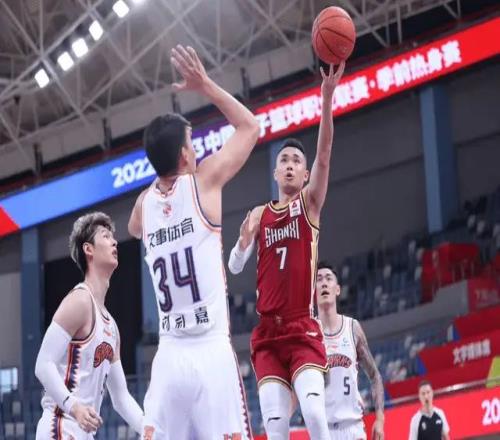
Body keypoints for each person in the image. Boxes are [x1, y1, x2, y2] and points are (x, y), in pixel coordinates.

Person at [128, 45, 259, 439]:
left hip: (168, 358)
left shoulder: (144, 206)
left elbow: (134, 229)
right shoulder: (203, 184)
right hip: (210, 351)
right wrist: (205, 86)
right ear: (185, 155)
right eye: (193, 142)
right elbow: (250, 127)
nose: (198, 148)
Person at [228, 62, 345, 440]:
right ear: (275, 173)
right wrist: (242, 243)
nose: (291, 166)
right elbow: (234, 268)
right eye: (284, 161)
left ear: (306, 174)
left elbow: (324, 154)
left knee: (314, 414)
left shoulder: (309, 204)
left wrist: (326, 98)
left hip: (301, 327)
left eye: (297, 162)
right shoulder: (259, 214)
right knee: (275, 428)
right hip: (267, 333)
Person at [35, 212, 143, 439]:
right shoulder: (80, 300)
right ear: (88, 249)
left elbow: (121, 398)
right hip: (60, 424)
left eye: (113, 237)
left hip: (83, 431)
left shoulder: (111, 327)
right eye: (105, 236)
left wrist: (149, 429)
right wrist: (74, 406)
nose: (114, 242)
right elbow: (43, 364)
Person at [316, 261, 384, 440]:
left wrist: (380, 419)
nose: (324, 283)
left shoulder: (352, 328)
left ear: (337, 289)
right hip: (322, 431)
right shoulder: (310, 333)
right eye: (319, 279)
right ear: (313, 291)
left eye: (328, 278)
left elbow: (375, 376)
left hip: (353, 428)